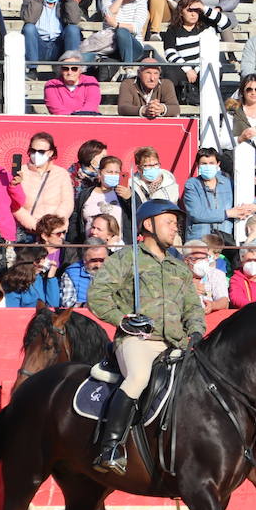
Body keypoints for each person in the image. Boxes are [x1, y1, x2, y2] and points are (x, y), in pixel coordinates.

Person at [86, 199, 205, 474]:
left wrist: (197, 332)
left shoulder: (179, 267)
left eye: (176, 223)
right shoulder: (127, 258)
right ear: (147, 224)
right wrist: (123, 321)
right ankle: (111, 447)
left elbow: (193, 308)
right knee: (138, 377)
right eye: (169, 221)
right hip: (137, 341)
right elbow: (98, 295)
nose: (175, 227)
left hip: (175, 344)